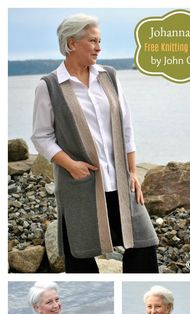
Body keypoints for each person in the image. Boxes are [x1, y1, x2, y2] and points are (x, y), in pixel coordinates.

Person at [31, 13, 159, 273]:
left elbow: (126, 127)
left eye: (100, 41)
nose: (99, 47)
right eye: (92, 41)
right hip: (80, 184)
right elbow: (41, 136)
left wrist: (133, 171)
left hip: (120, 181)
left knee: (144, 244)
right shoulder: (50, 86)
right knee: (80, 253)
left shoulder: (109, 76)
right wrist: (70, 165)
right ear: (71, 43)